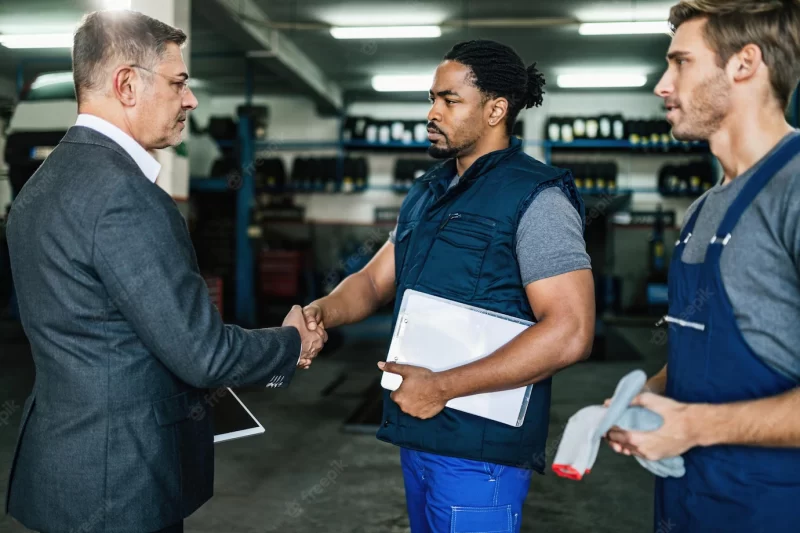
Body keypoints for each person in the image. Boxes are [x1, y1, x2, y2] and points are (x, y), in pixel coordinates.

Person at [4, 10, 325, 533]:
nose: (190, 99)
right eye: (178, 83)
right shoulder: (126, 197)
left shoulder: (41, 185)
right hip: (121, 483)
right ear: (127, 84)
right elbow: (204, 354)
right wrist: (291, 343)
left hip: (64, 469)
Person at [302, 40, 595, 532]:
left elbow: (571, 331)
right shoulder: (428, 191)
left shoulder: (536, 198)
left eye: (449, 100)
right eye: (431, 98)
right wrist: (322, 312)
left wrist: (442, 387)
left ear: (496, 109)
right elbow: (375, 280)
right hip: (420, 431)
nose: (431, 113)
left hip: (480, 450)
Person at [605, 1, 800, 531]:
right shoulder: (702, 209)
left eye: (681, 63)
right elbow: (705, 353)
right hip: (688, 501)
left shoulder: (795, 190)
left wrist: (693, 425)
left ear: (744, 64)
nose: (662, 86)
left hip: (774, 508)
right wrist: (653, 393)